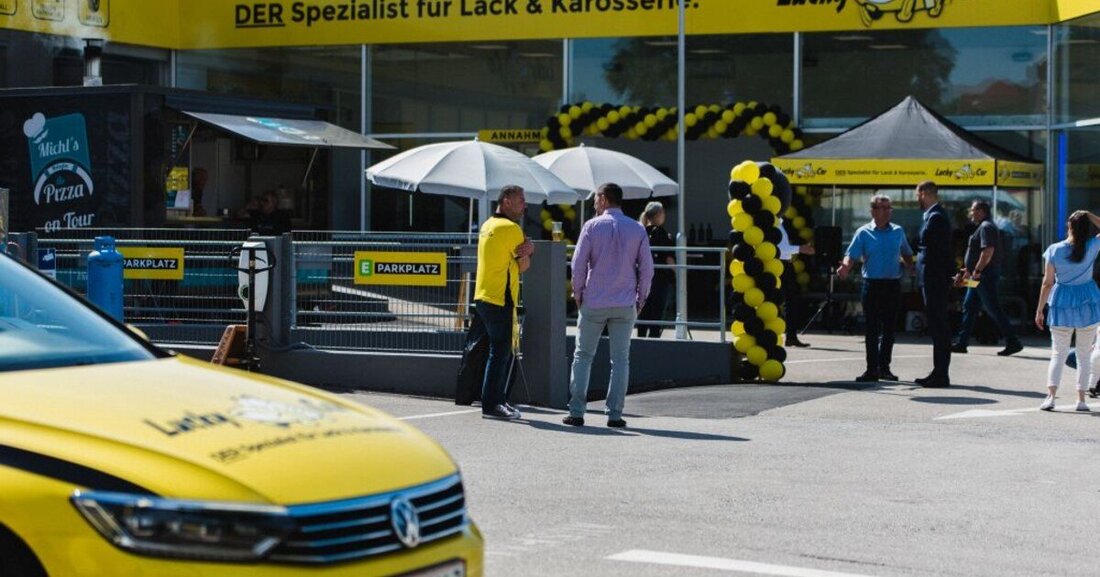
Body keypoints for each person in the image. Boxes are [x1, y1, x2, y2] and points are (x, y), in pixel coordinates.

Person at [564, 183, 653, 428]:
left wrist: (578, 294)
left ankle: (577, 411)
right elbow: (647, 269)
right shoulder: (637, 228)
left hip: (594, 300)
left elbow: (578, 264)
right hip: (625, 303)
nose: (594, 202)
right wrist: (640, 299)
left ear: (603, 199)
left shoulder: (591, 226)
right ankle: (615, 414)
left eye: (595, 198)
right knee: (621, 360)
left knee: (583, 356)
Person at [836, 194, 913, 382]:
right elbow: (851, 254)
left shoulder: (898, 231)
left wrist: (910, 266)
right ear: (873, 211)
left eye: (889, 208)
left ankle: (885, 368)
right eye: (883, 208)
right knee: (871, 329)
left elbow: (907, 252)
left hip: (892, 285)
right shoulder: (863, 232)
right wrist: (845, 266)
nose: (887, 211)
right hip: (872, 285)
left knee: (889, 329)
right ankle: (872, 369)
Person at [473, 184, 534, 421]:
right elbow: (523, 266)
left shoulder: (487, 224)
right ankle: (493, 404)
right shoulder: (511, 228)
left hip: (483, 295)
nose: (525, 205)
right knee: (500, 353)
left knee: (495, 351)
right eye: (521, 200)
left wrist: (529, 249)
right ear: (506, 201)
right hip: (501, 297)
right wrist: (531, 250)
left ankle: (496, 400)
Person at [1034, 210, 1100, 412]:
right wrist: (1089, 214)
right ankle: (1081, 400)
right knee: (1083, 355)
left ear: (1069, 227)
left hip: (1061, 301)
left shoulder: (1054, 249)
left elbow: (1047, 283)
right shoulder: (1092, 246)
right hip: (1087, 300)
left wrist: (1039, 310)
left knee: (1058, 353)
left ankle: (1050, 397)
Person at [951, 200, 1023, 356]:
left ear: (981, 211)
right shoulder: (984, 227)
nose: (970, 213)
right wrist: (969, 271)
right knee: (969, 307)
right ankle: (962, 342)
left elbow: (988, 251)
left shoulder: (986, 227)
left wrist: (976, 270)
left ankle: (1013, 341)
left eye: (973, 210)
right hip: (978, 276)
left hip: (984, 276)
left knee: (993, 309)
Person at [914, 181, 953, 388]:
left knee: (939, 326)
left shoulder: (936, 217)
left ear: (924, 193)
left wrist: (947, 275)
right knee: (936, 326)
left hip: (934, 279)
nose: (916, 199)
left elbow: (940, 251)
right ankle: (938, 371)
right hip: (931, 278)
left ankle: (941, 374)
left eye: (917, 195)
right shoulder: (932, 215)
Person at [636, 201, 673, 338]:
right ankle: (654, 341)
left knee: (644, 311)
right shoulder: (661, 233)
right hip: (659, 278)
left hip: (642, 277)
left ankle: (640, 339)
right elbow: (668, 258)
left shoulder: (641, 231)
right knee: (657, 313)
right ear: (658, 214)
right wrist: (678, 273)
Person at [778, 218, 814, 347]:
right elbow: (781, 249)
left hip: (786, 264)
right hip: (778, 264)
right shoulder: (772, 224)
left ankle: (791, 336)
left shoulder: (779, 223)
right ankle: (788, 335)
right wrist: (800, 249)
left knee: (792, 301)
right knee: (784, 301)